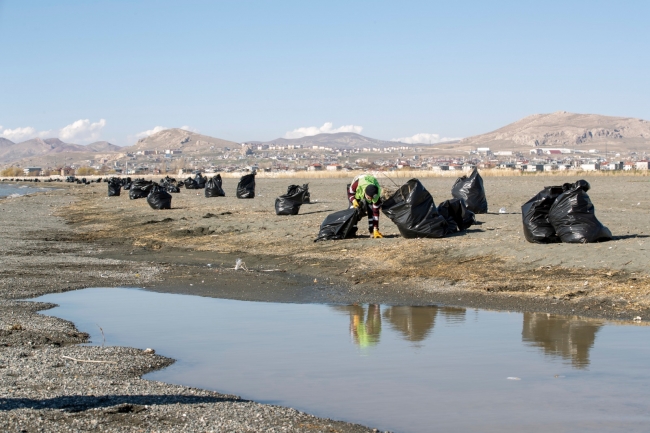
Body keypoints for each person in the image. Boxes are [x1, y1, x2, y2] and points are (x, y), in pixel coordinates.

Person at [347, 174, 384, 238]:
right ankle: (352, 231)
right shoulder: (357, 185)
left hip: (371, 181)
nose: (370, 200)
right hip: (358, 182)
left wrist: (376, 228)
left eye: (372, 198)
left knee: (371, 210)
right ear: (365, 193)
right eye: (369, 198)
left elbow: (375, 213)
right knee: (353, 210)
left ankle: (372, 231)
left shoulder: (376, 195)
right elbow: (350, 193)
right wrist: (353, 200)